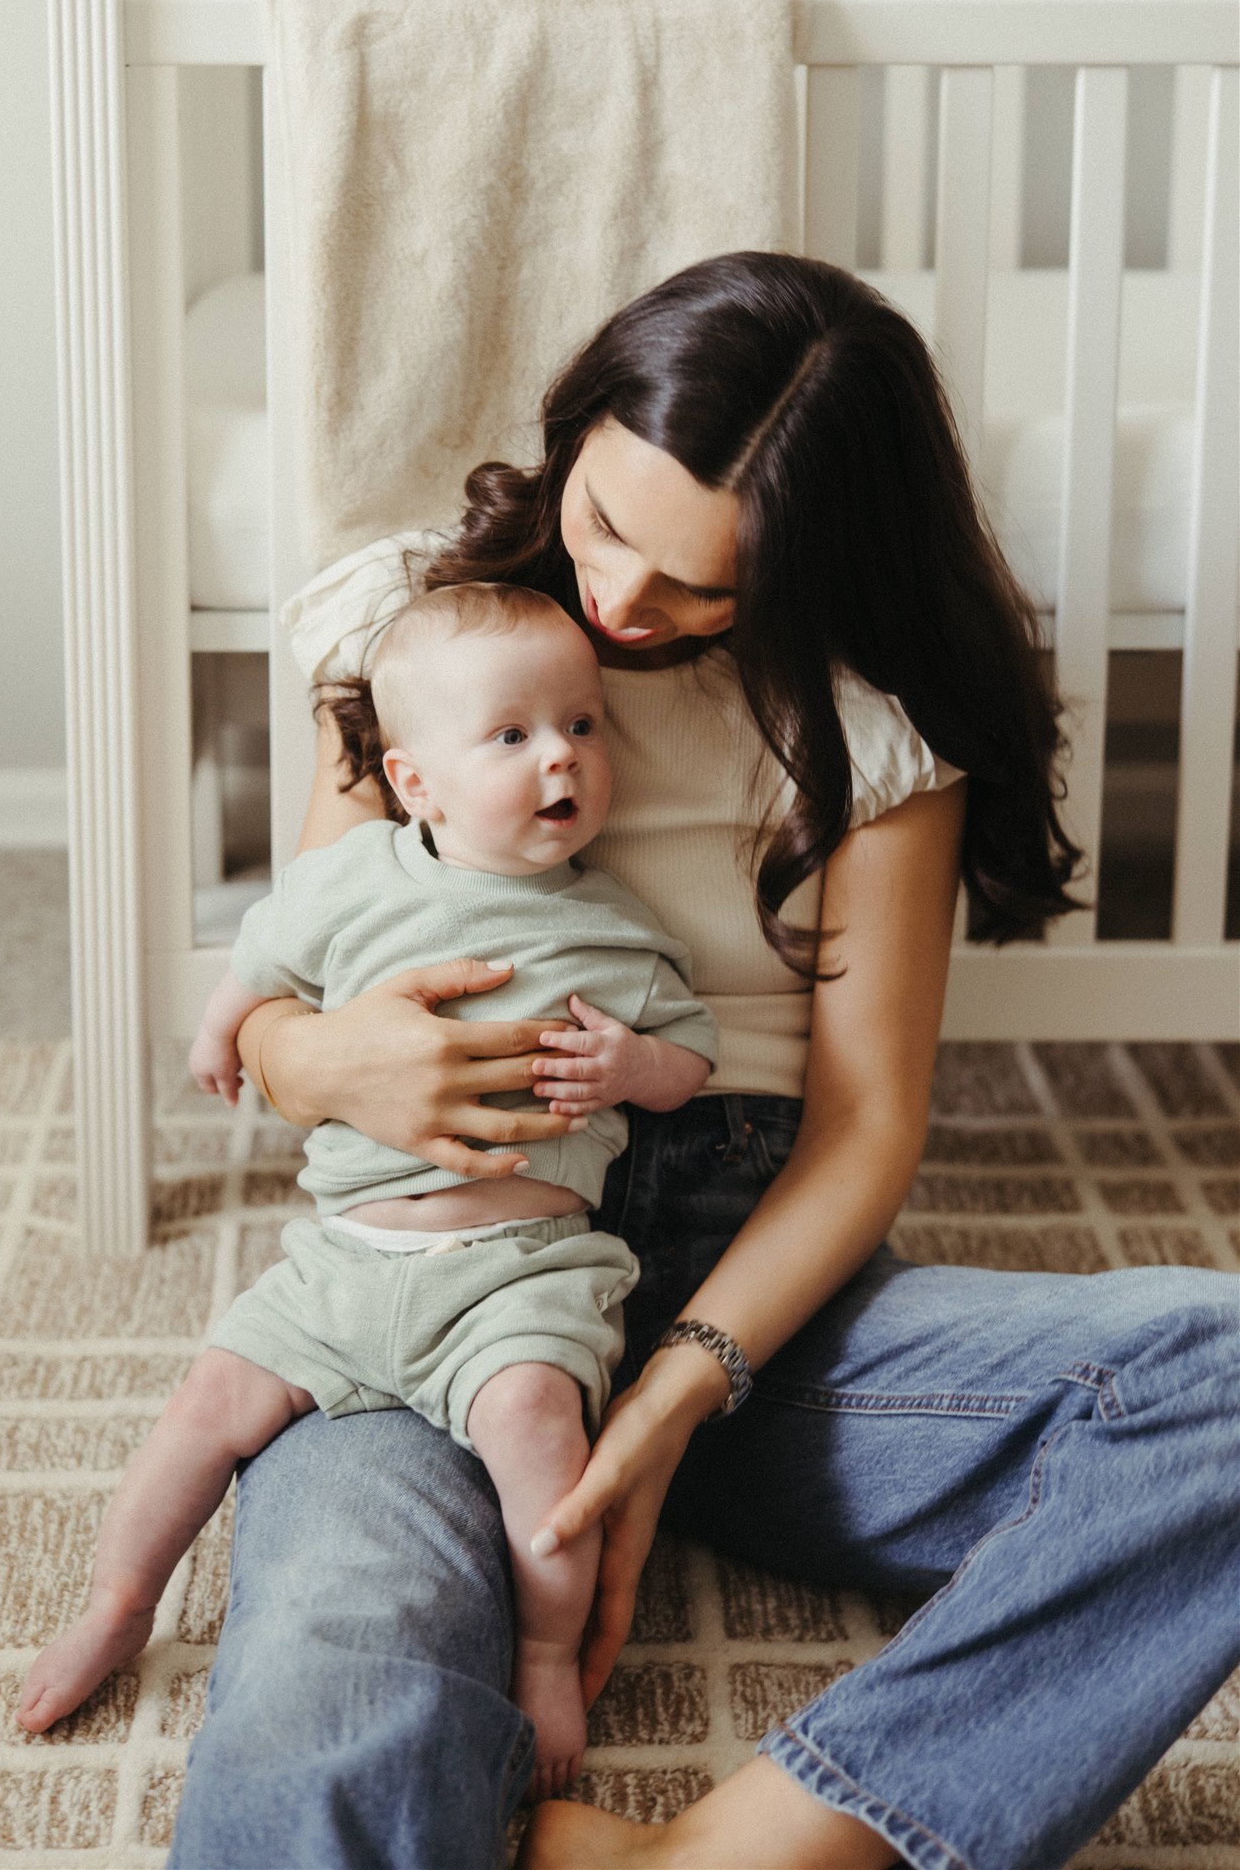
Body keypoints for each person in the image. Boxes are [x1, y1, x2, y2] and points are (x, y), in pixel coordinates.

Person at [167, 253, 1239, 1870]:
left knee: (1220, 1376)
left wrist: (675, 1391)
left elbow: (868, 1122)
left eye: (702, 582)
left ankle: (761, 1843)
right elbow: (290, 991)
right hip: (429, 1265)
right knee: (341, 1686)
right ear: (578, 422)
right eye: (605, 524)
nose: (625, 605)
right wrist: (319, 1060)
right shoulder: (422, 624)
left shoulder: (871, 732)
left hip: (740, 1289)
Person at [17, 583, 716, 1795]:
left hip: (521, 1274)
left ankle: (550, 1650)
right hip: (341, 1261)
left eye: (584, 725)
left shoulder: (614, 926)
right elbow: (264, 951)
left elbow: (689, 1060)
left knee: (540, 1432)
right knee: (204, 1404)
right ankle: (119, 1598)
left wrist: (635, 1065)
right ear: (415, 782)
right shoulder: (354, 881)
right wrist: (224, 1028)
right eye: (512, 735)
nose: (562, 755)